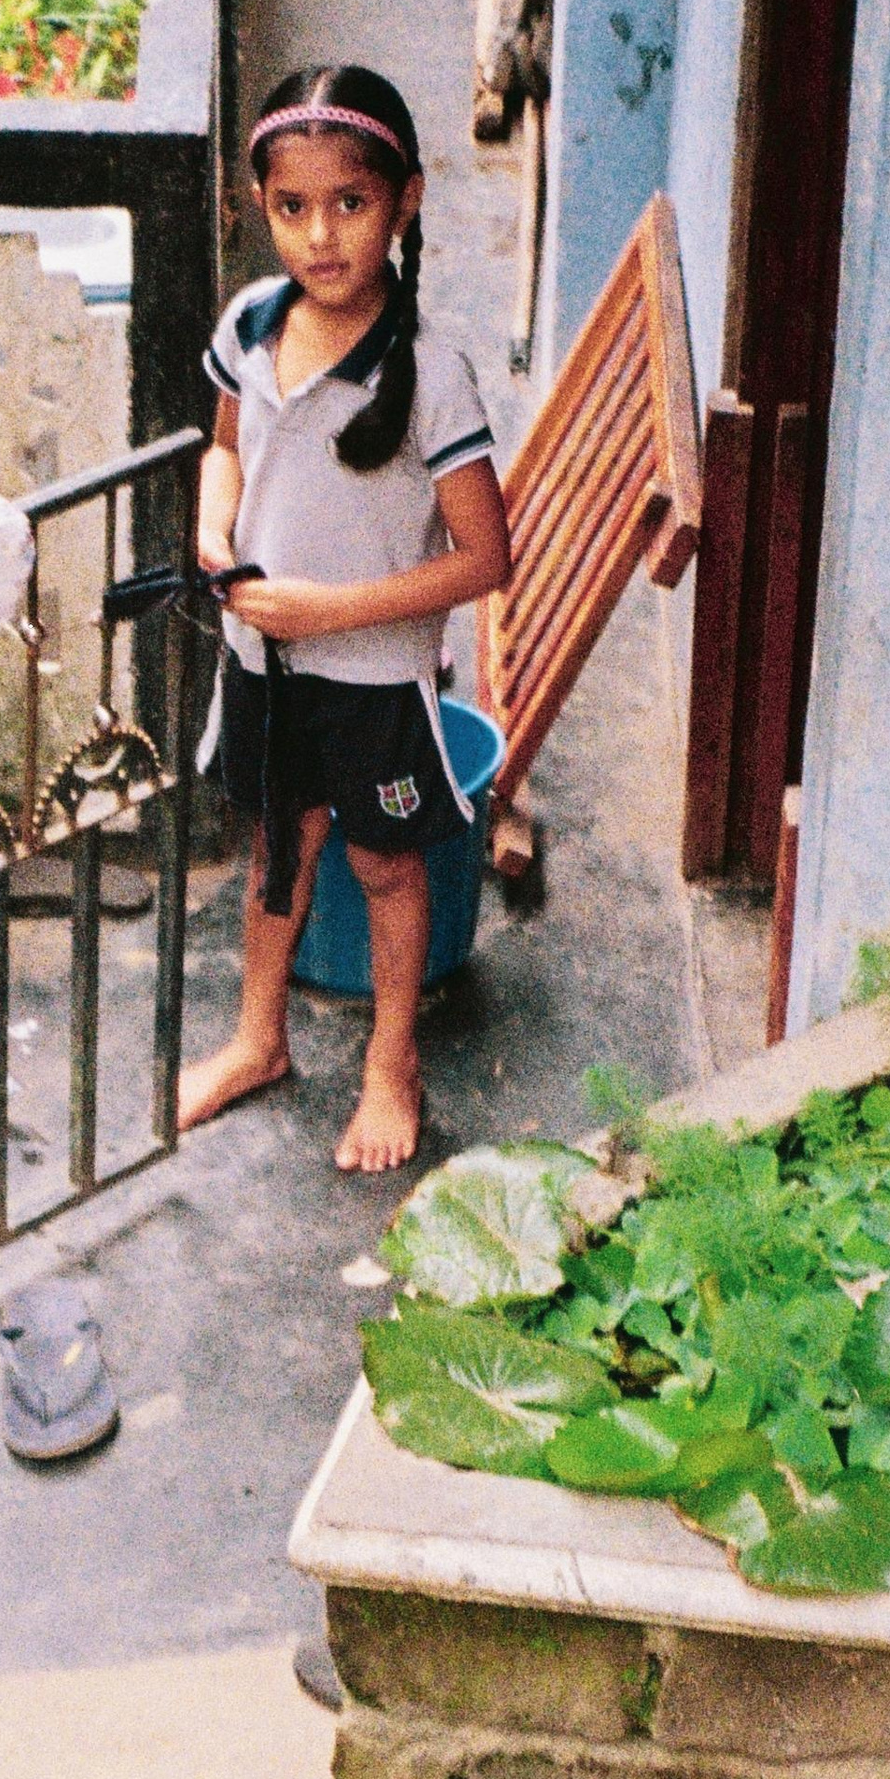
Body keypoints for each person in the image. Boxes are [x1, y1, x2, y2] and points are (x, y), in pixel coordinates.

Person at [177, 66, 512, 1175]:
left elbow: (484, 558)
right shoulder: (250, 323)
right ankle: (257, 1040)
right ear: (260, 207)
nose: (320, 236)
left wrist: (329, 611)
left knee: (384, 866)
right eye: (291, 207)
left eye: (350, 203)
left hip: (371, 683)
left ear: (404, 200)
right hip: (262, 660)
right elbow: (225, 447)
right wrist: (214, 528)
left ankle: (390, 1064)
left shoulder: (429, 376)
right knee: (281, 846)